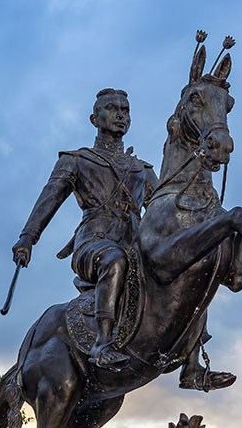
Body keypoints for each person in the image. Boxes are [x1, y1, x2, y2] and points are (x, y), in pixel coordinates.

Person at [11, 88, 158, 369]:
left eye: (125, 110)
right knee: (115, 260)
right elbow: (49, 198)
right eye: (112, 108)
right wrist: (27, 238)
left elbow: (162, 209)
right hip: (94, 244)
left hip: (135, 245)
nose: (120, 115)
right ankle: (103, 343)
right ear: (94, 119)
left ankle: (194, 361)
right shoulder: (76, 160)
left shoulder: (142, 169)